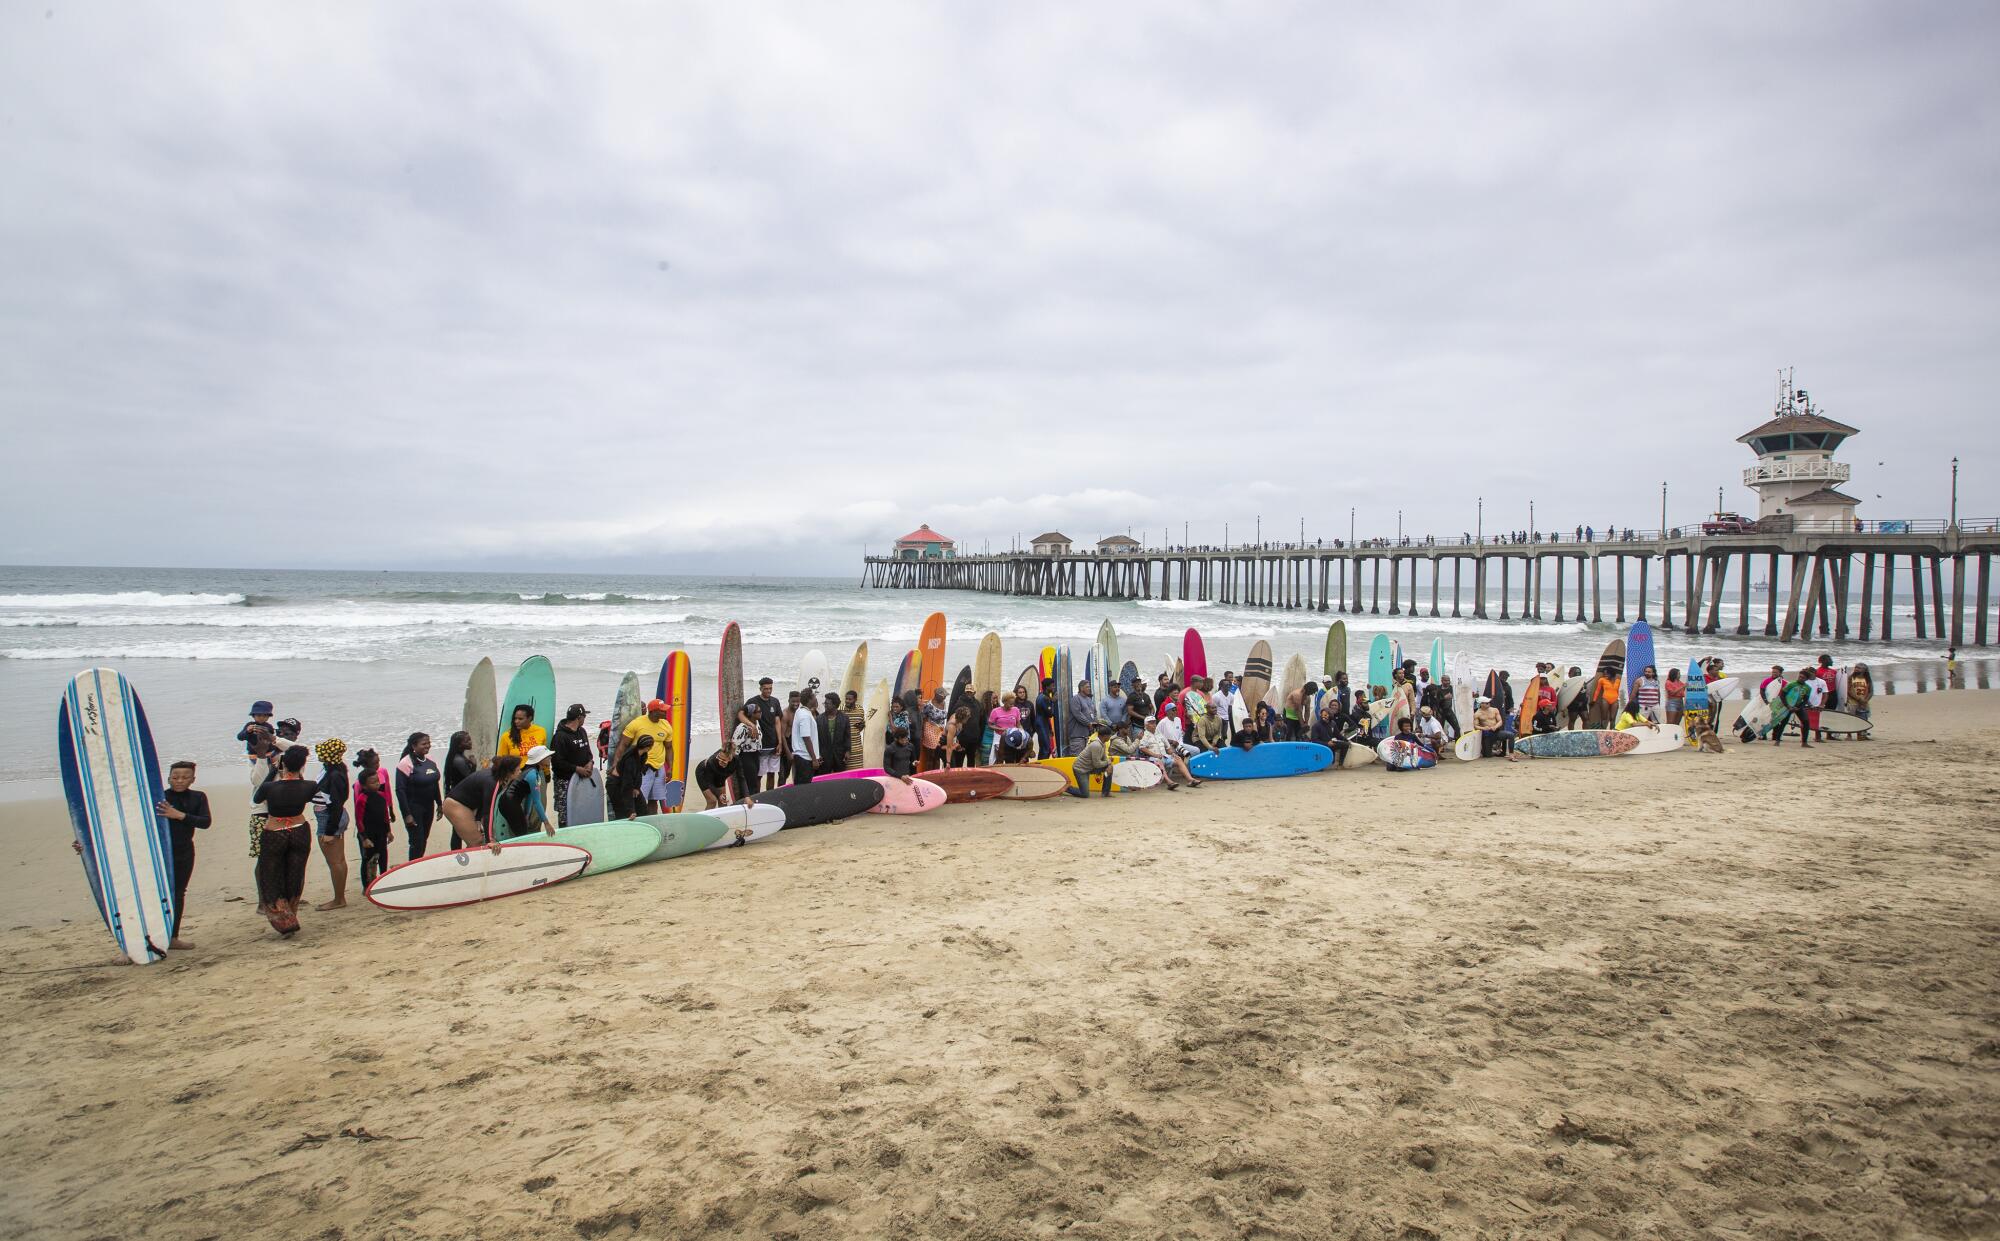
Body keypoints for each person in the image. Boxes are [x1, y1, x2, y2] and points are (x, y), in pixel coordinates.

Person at [253, 745, 319, 935]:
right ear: (303, 764)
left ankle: (283, 919)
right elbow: (308, 793)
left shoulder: (270, 787)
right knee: (295, 874)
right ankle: (293, 913)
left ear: (284, 764)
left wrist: (273, 771)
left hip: (275, 831)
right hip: (299, 830)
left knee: (271, 875)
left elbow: (257, 798)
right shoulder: (309, 786)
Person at [154, 760, 209, 949]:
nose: (179, 781)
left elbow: (205, 822)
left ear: (192, 779)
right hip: (159, 852)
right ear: (168, 778)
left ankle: (173, 937)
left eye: (185, 777)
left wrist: (179, 815)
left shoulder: (198, 797)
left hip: (184, 850)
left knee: (178, 893)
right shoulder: (158, 797)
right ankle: (153, 935)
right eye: (175, 777)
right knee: (156, 894)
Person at [441, 755, 524, 852]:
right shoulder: (493, 783)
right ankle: (463, 864)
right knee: (476, 841)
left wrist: (477, 819)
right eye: (518, 770)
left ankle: (466, 862)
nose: (520, 772)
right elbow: (488, 812)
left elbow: (482, 799)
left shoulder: (498, 777)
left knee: (477, 841)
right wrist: (491, 840)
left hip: (467, 806)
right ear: (509, 772)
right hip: (455, 805)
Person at [613, 698, 677, 814]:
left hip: (659, 769)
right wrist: (616, 765)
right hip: (641, 769)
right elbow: (623, 745)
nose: (666, 712)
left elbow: (668, 748)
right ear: (653, 711)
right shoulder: (637, 724)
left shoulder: (666, 725)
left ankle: (651, 824)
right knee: (637, 799)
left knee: (654, 801)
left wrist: (670, 768)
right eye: (662, 710)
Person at [310, 738, 352, 911]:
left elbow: (335, 803)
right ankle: (339, 897)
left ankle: (339, 899)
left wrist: (329, 831)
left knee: (335, 861)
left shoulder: (334, 774)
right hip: (330, 816)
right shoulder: (333, 769)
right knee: (338, 860)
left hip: (329, 818)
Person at [395, 733, 444, 860]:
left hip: (428, 806)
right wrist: (407, 814)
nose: (427, 746)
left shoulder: (430, 760)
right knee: (417, 841)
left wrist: (439, 803)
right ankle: (412, 867)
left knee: (424, 839)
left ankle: (418, 863)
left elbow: (434, 783)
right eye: (424, 744)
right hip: (414, 807)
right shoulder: (405, 763)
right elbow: (400, 791)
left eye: (428, 743)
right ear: (413, 746)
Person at [352, 750, 395, 887]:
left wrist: (388, 829)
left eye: (377, 782)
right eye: (373, 782)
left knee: (383, 856)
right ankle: (367, 885)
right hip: (368, 832)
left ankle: (383, 881)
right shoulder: (361, 797)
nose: (377, 784)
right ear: (364, 785)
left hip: (381, 831)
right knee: (368, 859)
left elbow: (384, 813)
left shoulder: (381, 794)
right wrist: (364, 837)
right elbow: (359, 818)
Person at [551, 704, 594, 825]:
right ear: (579, 718)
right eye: (584, 717)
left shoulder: (582, 731)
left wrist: (590, 763)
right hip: (564, 780)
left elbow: (588, 752)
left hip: (582, 778)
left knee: (581, 810)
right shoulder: (560, 737)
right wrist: (576, 769)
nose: (584, 720)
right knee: (565, 813)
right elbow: (557, 762)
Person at [748, 678, 783, 790]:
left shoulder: (775, 701)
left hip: (774, 743)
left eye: (770, 688)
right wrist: (752, 725)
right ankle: (757, 797)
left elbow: (777, 722)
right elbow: (741, 714)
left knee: (772, 773)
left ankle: (769, 796)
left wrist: (780, 742)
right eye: (766, 689)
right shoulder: (753, 701)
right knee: (759, 775)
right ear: (760, 688)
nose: (768, 691)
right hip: (760, 745)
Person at [608, 735, 652, 821]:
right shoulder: (630, 760)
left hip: (629, 783)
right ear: (648, 747)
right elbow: (627, 786)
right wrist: (630, 810)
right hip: (616, 784)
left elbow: (638, 773)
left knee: (643, 810)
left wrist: (636, 788)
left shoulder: (643, 755)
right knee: (624, 815)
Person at [1065, 725, 1114, 798]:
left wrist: (1109, 765)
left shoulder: (1102, 744)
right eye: (1110, 735)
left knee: (1109, 767)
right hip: (1080, 770)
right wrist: (1108, 762)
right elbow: (1097, 764)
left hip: (1089, 767)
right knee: (1084, 794)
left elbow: (1104, 758)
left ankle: (1105, 792)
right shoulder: (1096, 745)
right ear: (1105, 736)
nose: (1110, 737)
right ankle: (1066, 788)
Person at [730, 706, 763, 802]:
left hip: (755, 754)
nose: (761, 713)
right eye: (758, 712)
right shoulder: (742, 727)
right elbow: (735, 745)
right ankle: (749, 803)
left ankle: (754, 801)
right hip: (746, 756)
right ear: (751, 714)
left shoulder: (757, 723)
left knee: (755, 780)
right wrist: (735, 761)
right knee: (750, 782)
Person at [1473, 696, 1519, 761]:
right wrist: (1483, 728)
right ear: (1481, 704)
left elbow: (1500, 721)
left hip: (1496, 732)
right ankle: (1488, 751)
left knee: (1510, 735)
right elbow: (1475, 726)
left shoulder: (1494, 710)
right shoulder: (1477, 714)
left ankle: (1511, 754)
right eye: (1486, 703)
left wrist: (1495, 726)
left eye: (1489, 702)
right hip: (1487, 735)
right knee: (1487, 755)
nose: (1489, 704)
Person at [694, 740, 736, 809]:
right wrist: (719, 794)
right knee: (712, 800)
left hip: (718, 775)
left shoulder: (735, 759)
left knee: (723, 801)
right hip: (704, 772)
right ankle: (705, 819)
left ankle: (721, 818)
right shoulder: (713, 760)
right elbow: (710, 782)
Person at [789, 687, 819, 785]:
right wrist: (814, 759)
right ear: (810, 699)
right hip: (805, 758)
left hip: (803, 757)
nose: (816, 698)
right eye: (814, 696)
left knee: (800, 785)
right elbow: (806, 738)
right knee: (803, 787)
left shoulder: (801, 711)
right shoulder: (805, 716)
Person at [442, 730, 479, 802]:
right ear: (459, 745)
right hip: (460, 796)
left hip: (457, 792)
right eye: (467, 741)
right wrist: (474, 765)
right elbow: (470, 779)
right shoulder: (459, 760)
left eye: (470, 739)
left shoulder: (457, 756)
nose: (470, 742)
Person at [988, 693, 1025, 763]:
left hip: (1012, 736)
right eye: (1010, 704)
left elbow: (1018, 724)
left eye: (1013, 704)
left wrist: (1022, 732)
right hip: (999, 736)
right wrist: (1001, 729)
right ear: (1004, 702)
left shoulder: (1016, 710)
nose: (1012, 706)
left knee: (1010, 757)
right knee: (999, 757)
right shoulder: (995, 711)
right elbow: (990, 725)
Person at [819, 691, 850, 775]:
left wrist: (848, 751)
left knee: (840, 779)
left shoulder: (844, 718)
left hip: (840, 755)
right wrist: (817, 754)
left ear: (834, 705)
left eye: (827, 703)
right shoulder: (819, 719)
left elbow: (847, 737)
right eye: (824, 703)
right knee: (824, 779)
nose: (825, 705)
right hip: (824, 755)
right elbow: (816, 738)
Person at [1065, 680, 1097, 756]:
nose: (1089, 688)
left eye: (1089, 687)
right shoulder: (1076, 699)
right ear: (1081, 688)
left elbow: (1094, 712)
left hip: (1088, 736)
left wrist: (1095, 722)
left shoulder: (1089, 700)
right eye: (1087, 687)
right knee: (1077, 759)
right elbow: (1078, 714)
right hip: (1077, 737)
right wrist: (1089, 723)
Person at [921, 688, 950, 770]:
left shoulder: (944, 703)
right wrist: (923, 732)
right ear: (936, 695)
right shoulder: (929, 705)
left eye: (945, 696)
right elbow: (923, 718)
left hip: (940, 731)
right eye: (943, 696)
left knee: (938, 755)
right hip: (930, 729)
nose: (944, 698)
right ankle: (928, 774)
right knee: (931, 755)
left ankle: (936, 774)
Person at [1814, 655, 1841, 741]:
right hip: (1822, 694)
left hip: (1833, 694)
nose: (1831, 661)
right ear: (1823, 661)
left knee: (1831, 715)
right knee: (1819, 715)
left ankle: (1829, 735)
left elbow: (1839, 683)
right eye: (1829, 659)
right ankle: (1818, 736)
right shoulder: (1817, 672)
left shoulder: (1834, 671)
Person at [1033, 678, 1059, 757]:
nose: (1054, 688)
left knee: (1045, 748)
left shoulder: (1044, 696)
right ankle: (1042, 765)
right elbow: (1050, 714)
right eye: (1052, 686)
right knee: (1046, 749)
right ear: (1047, 687)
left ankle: (1041, 763)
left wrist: (1050, 728)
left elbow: (1046, 715)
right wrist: (1053, 701)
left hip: (1044, 724)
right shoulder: (1044, 698)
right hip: (1041, 725)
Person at [1846, 663, 1874, 738]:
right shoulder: (1850, 678)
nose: (1856, 669)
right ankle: (1849, 735)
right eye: (1856, 667)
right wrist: (1858, 699)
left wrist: (1865, 700)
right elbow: (1848, 690)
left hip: (1864, 701)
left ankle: (1862, 735)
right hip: (1853, 701)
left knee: (1864, 718)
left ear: (1864, 670)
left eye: (1859, 668)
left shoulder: (1867, 679)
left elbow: (1871, 691)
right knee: (1851, 718)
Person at [843, 690, 866, 768]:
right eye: (846, 699)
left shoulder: (860, 710)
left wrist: (860, 726)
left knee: (857, 772)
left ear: (855, 699)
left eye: (850, 699)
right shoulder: (841, 709)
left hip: (858, 748)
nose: (847, 701)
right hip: (845, 748)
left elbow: (861, 725)